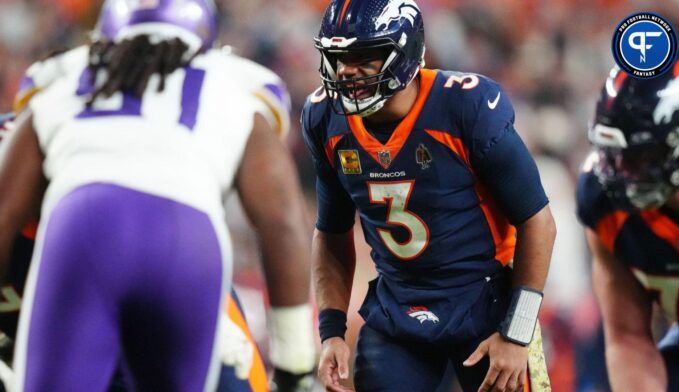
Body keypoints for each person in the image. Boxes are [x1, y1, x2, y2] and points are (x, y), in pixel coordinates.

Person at [0, 0, 313, 390]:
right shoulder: (233, 83)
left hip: (82, 225)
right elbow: (282, 219)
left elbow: (4, 211)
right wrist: (296, 365)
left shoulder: (65, 75)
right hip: (187, 240)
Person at [301, 1, 556, 391]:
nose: (347, 71)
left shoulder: (464, 105)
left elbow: (538, 220)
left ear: (405, 54)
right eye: (337, 57)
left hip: (485, 303)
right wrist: (331, 330)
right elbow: (331, 231)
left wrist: (517, 331)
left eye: (363, 56)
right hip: (399, 307)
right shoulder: (325, 119)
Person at [576, 49, 679, 391]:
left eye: (639, 157)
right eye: (613, 156)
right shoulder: (605, 204)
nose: (620, 174)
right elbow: (628, 338)